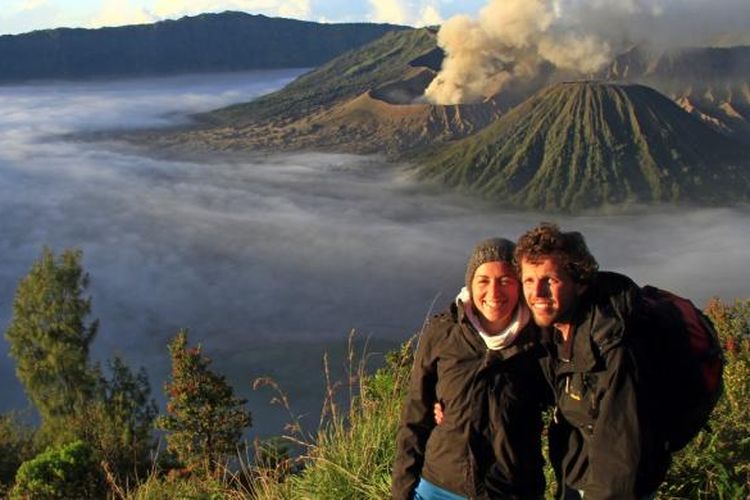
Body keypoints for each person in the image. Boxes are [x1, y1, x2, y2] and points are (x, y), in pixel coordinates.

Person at [515, 223, 671, 499]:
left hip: (610, 486)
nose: (537, 293)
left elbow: (621, 461)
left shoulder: (613, 351)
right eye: (529, 280)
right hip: (579, 473)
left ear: (580, 283)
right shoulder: (556, 332)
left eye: (549, 280)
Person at [392, 238, 549, 500]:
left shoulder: (539, 339)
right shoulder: (444, 333)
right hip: (440, 486)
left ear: (520, 285)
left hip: (512, 489)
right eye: (483, 280)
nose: (494, 292)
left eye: (506, 280)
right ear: (470, 284)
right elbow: (415, 415)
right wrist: (402, 491)